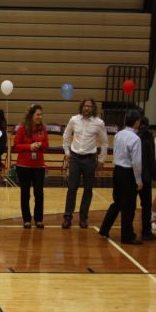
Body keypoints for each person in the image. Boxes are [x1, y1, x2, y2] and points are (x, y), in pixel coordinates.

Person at [62, 98, 108, 229]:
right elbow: (66, 135)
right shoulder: (74, 119)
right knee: (72, 188)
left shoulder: (99, 123)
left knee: (88, 189)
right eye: (85, 106)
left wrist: (102, 160)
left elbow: (104, 142)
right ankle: (68, 217)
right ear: (81, 107)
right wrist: (67, 152)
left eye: (89, 106)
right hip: (75, 158)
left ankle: (83, 218)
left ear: (93, 108)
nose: (87, 108)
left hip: (89, 159)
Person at [99, 110, 144, 244]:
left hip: (117, 171)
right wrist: (138, 180)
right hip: (128, 173)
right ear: (136, 122)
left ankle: (104, 229)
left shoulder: (118, 134)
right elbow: (136, 162)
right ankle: (127, 235)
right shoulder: (135, 138)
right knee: (129, 206)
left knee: (117, 202)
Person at [14, 105, 49, 229]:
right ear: (31, 115)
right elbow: (16, 146)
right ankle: (27, 219)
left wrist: (40, 145)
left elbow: (47, 145)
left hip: (39, 165)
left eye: (41, 114)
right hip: (23, 165)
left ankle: (39, 219)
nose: (40, 117)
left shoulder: (43, 129)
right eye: (37, 114)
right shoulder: (22, 129)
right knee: (25, 193)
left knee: (39, 192)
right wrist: (29, 147)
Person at [137, 116, 156, 241]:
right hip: (145, 175)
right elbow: (151, 157)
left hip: (133, 175)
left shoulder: (133, 135)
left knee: (128, 205)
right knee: (146, 205)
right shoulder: (149, 136)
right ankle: (146, 231)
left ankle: (128, 231)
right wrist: (155, 175)